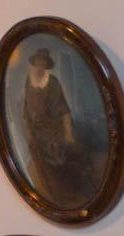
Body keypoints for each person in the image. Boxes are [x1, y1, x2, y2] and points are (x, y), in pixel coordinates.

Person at [20, 47, 98, 208]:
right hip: (37, 131)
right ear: (35, 63)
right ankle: (57, 198)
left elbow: (64, 110)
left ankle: (80, 191)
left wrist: (68, 134)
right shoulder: (28, 81)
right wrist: (28, 132)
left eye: (43, 62)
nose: (40, 65)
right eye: (37, 62)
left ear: (47, 64)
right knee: (44, 159)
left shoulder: (53, 82)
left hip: (54, 128)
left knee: (68, 151)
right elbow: (26, 110)